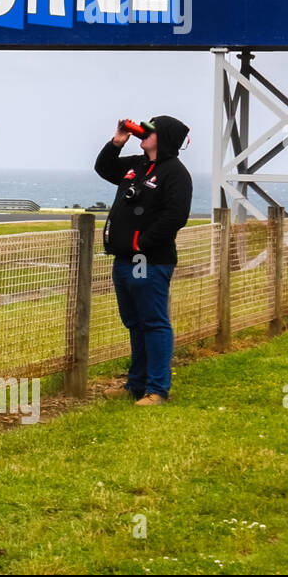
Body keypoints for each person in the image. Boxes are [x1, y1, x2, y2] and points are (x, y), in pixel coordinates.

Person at [94, 116, 193, 405]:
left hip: (150, 260)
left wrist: (141, 243)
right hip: (124, 259)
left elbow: (175, 217)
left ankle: (157, 389)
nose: (144, 134)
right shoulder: (137, 164)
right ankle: (136, 385)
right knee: (135, 323)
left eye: (150, 131)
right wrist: (117, 142)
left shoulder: (175, 173)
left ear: (163, 138)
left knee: (154, 323)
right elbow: (104, 168)